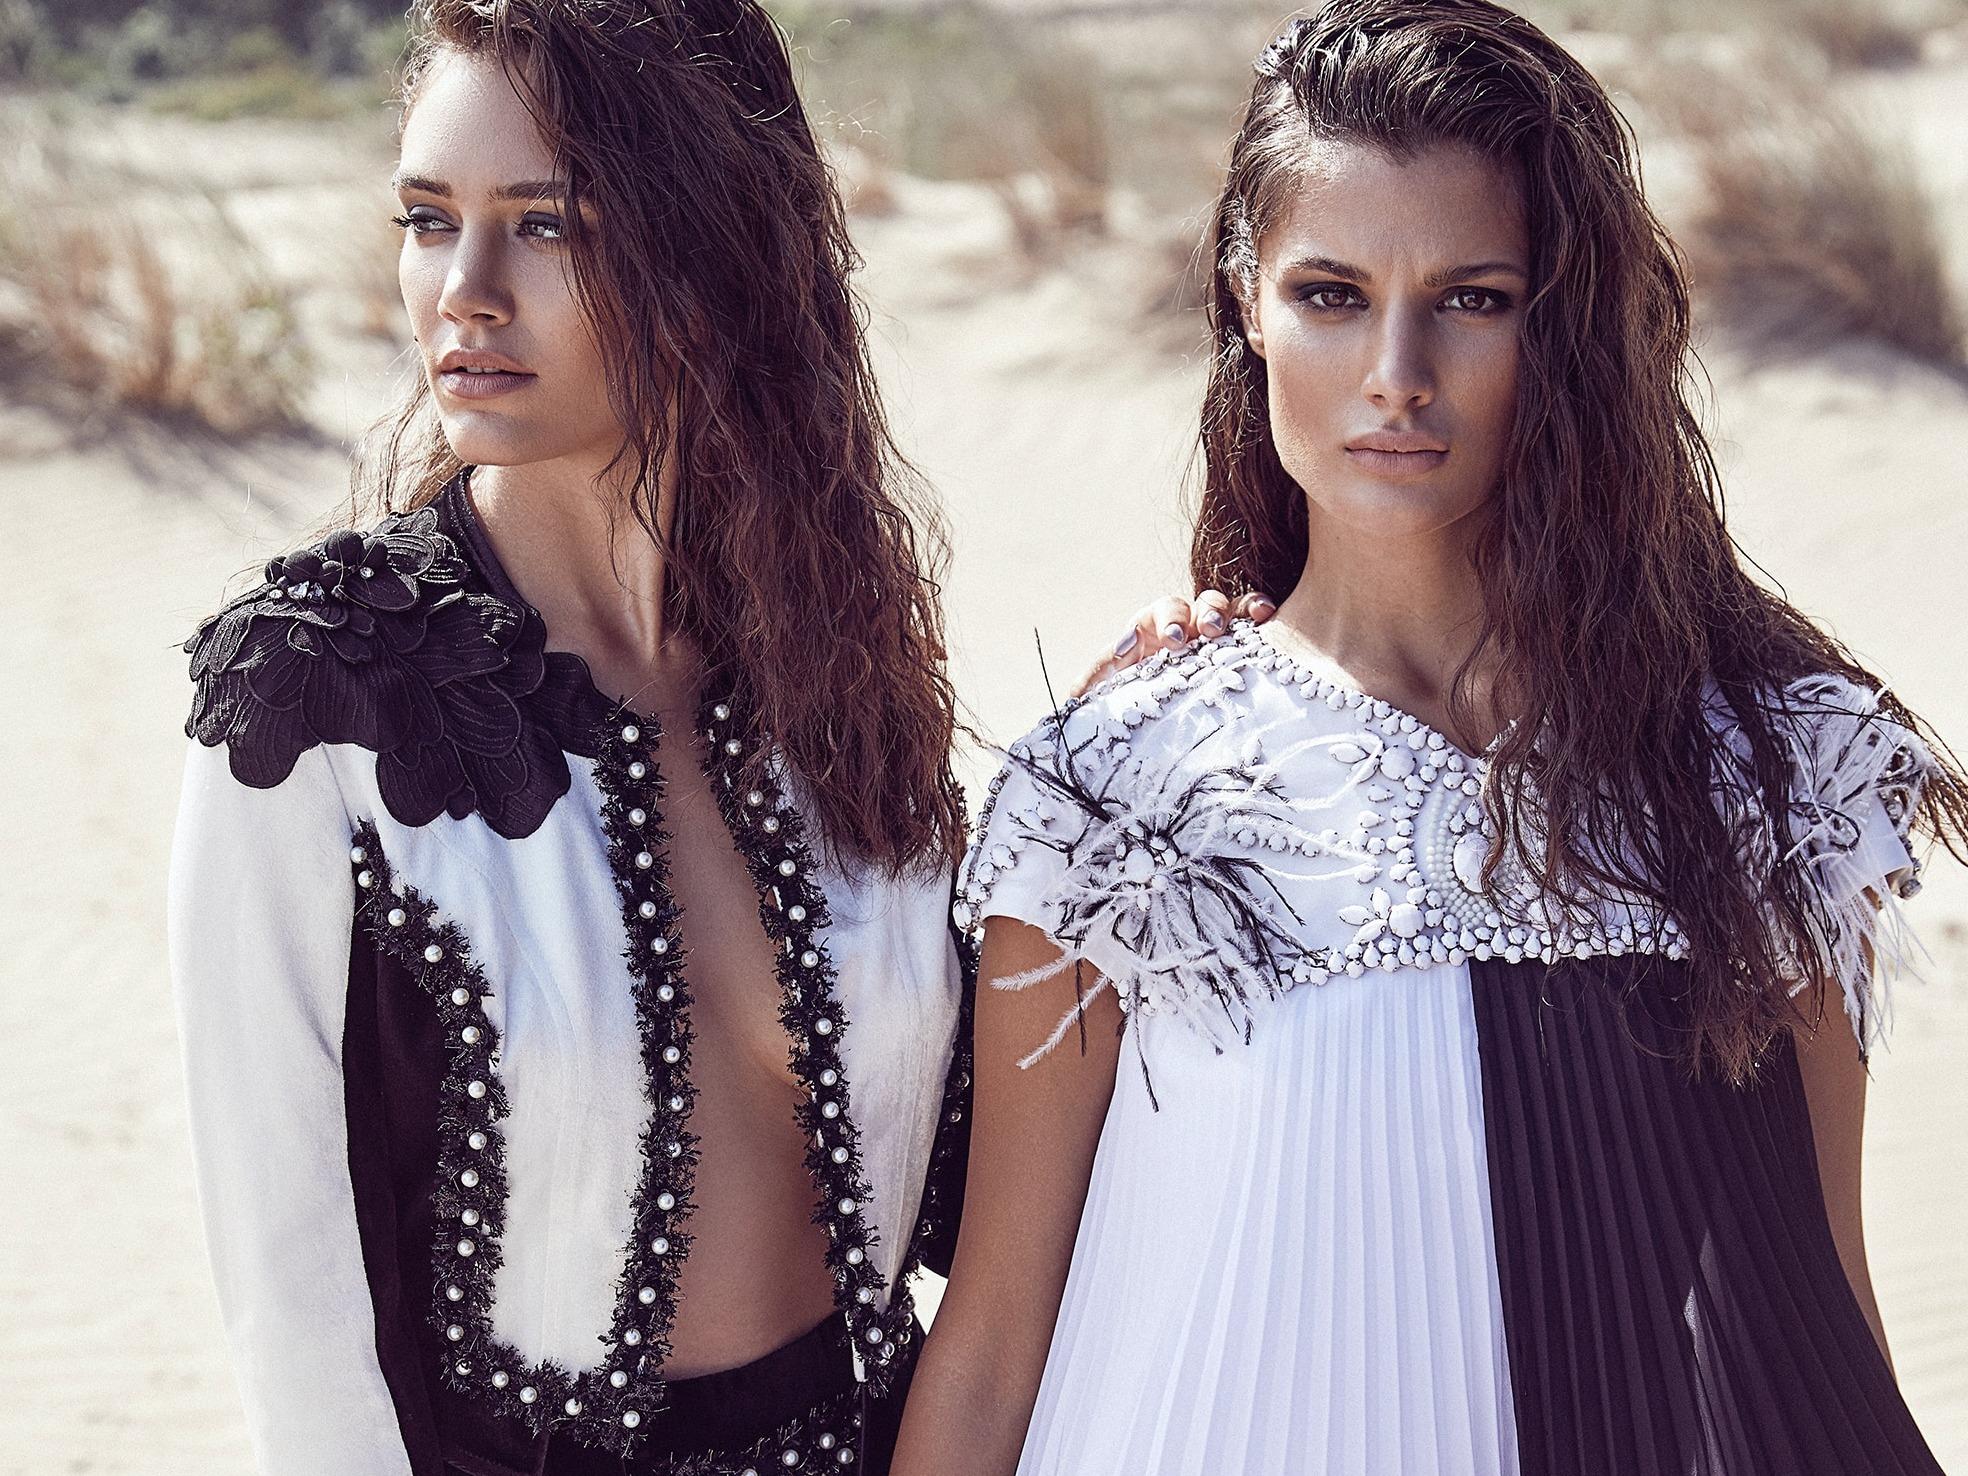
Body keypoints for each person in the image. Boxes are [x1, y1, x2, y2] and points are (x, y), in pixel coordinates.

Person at [893, 3, 1968, 1474]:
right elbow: (993, 1350)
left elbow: (1825, 1305)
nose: (1396, 370)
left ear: (1565, 324)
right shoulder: (1114, 798)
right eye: (1330, 294)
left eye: (1473, 297)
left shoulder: (1764, 773)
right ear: (1246, 301)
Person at [166, 3, 1219, 1472]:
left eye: (547, 225)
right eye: (429, 219)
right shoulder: (309, 695)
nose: (464, 291)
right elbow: (294, 1313)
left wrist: (1111, 764)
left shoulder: (833, 655)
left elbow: (970, 1158)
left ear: (712, 251)